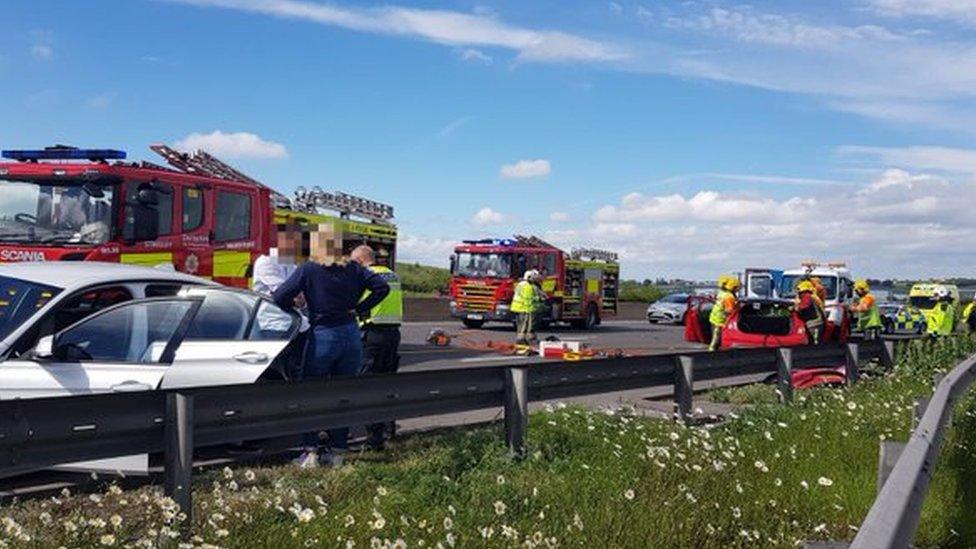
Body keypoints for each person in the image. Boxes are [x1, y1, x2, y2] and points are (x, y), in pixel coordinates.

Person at [273, 252, 390, 469]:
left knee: (312, 394)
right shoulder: (355, 268)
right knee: (343, 395)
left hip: (324, 335)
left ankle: (310, 454)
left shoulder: (309, 268)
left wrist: (296, 305)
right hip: (351, 335)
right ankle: (337, 454)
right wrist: (359, 308)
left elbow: (280, 296)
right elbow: (383, 288)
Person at [351, 245, 403, 451]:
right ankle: (389, 428)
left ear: (361, 260)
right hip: (393, 335)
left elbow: (355, 303)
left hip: (372, 335)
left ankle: (374, 437)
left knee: (369, 384)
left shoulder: (365, 276)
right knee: (387, 382)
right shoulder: (393, 276)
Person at [511, 269, 544, 354]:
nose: (535, 279)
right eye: (533, 277)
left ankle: (522, 344)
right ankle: (522, 344)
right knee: (525, 328)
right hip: (525, 309)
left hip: (518, 308)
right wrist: (539, 299)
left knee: (521, 328)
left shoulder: (520, 284)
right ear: (529, 277)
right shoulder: (528, 287)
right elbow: (528, 300)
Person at [709, 274, 740, 352]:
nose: (738, 289)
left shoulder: (722, 293)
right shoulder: (729, 297)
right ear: (733, 287)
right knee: (716, 338)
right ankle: (712, 353)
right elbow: (729, 310)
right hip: (721, 319)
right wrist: (737, 307)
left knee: (715, 336)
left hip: (714, 317)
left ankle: (713, 350)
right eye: (737, 287)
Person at [794, 280, 824, 344]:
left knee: (815, 342)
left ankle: (817, 352)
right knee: (814, 342)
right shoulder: (811, 296)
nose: (798, 293)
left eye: (799, 291)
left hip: (814, 324)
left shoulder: (806, 296)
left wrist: (797, 308)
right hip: (814, 324)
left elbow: (804, 306)